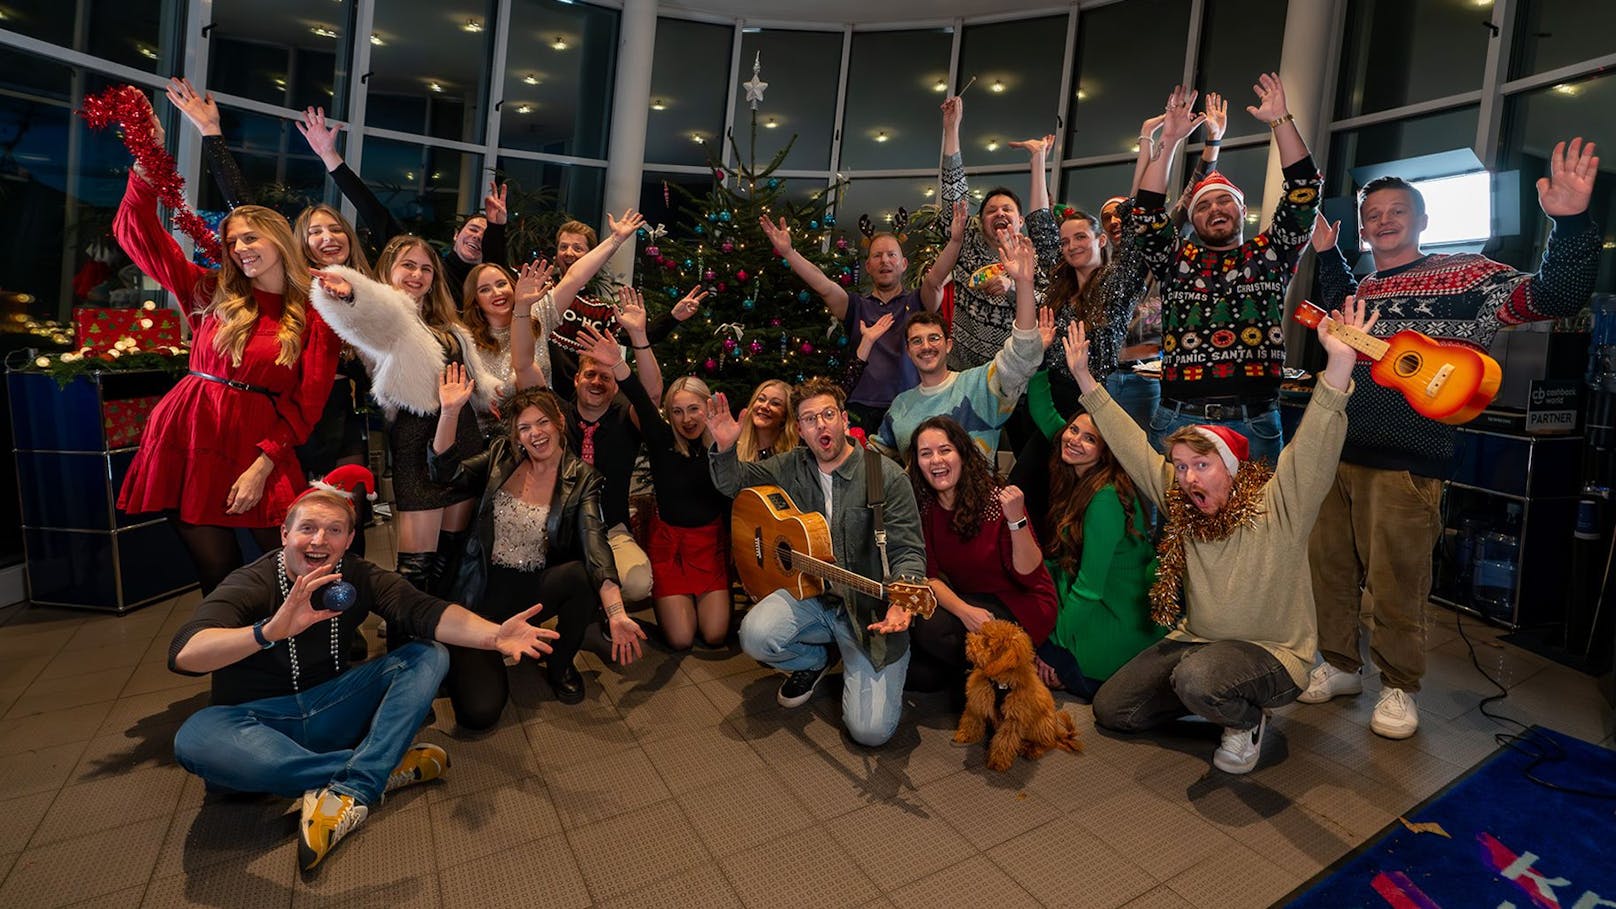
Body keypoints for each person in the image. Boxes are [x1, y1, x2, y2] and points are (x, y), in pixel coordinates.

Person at [1301, 140, 1602, 739]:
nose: (1382, 222)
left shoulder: (1466, 274)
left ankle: (1397, 686)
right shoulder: (1361, 290)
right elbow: (1337, 312)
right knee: (1328, 570)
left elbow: (1554, 297)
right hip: (1334, 450)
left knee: (1396, 581)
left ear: (1422, 220)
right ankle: (1338, 665)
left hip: (1411, 459)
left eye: (1395, 212)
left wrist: (1570, 224)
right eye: (1372, 216)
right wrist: (1330, 257)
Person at [167, 488, 559, 871]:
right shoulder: (252, 582)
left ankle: (347, 785)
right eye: (307, 528)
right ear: (285, 534)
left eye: (334, 530)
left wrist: (493, 636)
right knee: (196, 736)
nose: (319, 540)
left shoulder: (356, 575)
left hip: (331, 709)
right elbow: (185, 653)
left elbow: (423, 609)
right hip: (258, 723)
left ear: (350, 539)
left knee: (428, 655)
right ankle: (376, 769)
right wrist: (267, 631)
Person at [1067, 288, 1365, 774]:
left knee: (1200, 678)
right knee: (1114, 709)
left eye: (1201, 465)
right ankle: (1211, 696)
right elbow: (1131, 446)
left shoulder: (1279, 503)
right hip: (1197, 641)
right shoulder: (1181, 502)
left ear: (1229, 468)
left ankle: (1243, 718)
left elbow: (1315, 441)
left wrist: (1338, 369)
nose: (1187, 478)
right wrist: (1084, 378)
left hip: (1273, 653)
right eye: (1181, 467)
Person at [112, 99, 338, 595]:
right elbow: (138, 235)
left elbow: (307, 404)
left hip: (258, 444)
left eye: (251, 238)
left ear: (279, 239)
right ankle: (236, 661)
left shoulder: (316, 312)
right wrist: (147, 159)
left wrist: (263, 464)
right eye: (232, 242)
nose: (240, 249)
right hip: (189, 434)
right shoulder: (209, 291)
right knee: (217, 577)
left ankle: (314, 652)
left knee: (295, 567)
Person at [162, 78, 379, 539]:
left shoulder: (370, 285)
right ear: (297, 244)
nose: (327, 238)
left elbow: (381, 217)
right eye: (315, 232)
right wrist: (212, 137)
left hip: (341, 415)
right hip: (290, 418)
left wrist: (332, 161)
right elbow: (246, 210)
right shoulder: (297, 292)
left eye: (335, 229)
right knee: (295, 531)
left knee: (347, 526)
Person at [706, 378, 927, 747]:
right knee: (756, 635)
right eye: (810, 419)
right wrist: (726, 448)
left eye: (827, 415)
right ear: (800, 430)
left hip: (866, 613)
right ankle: (814, 659)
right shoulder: (791, 465)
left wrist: (903, 601)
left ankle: (859, 659)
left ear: (843, 419)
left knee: (870, 733)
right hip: (812, 597)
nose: (820, 425)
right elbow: (735, 485)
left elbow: (909, 549)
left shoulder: (884, 476)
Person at [428, 372, 642, 719]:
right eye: (524, 428)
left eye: (542, 422)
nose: (535, 434)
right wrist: (450, 412)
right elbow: (444, 474)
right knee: (479, 714)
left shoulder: (582, 477)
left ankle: (560, 666)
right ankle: (469, 651)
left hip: (531, 589)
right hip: (479, 591)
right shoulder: (500, 455)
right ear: (516, 434)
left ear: (559, 421)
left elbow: (595, 544)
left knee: (579, 576)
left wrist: (616, 613)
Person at [1133, 78, 1322, 464]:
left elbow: (1304, 188)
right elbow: (1147, 214)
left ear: (1241, 208)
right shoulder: (1176, 260)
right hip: (1178, 420)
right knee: (1173, 526)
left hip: (1254, 421)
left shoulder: (1272, 253)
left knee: (1259, 526)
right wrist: (1168, 141)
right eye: (1203, 206)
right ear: (1193, 218)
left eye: (1225, 201)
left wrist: (1280, 120)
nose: (1215, 210)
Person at [308, 237, 499, 597]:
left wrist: (491, 388)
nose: (418, 274)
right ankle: (404, 647)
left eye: (426, 268)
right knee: (416, 567)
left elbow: (470, 372)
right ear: (389, 272)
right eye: (408, 265)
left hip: (464, 433)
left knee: (452, 555)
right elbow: (368, 318)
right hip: (417, 438)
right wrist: (352, 295)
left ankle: (442, 636)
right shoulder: (391, 317)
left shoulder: (446, 322)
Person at [590, 300, 734, 650]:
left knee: (715, 636)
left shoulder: (722, 441)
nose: (687, 418)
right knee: (682, 639)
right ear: (669, 414)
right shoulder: (661, 439)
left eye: (694, 409)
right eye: (678, 411)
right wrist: (628, 352)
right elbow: (640, 396)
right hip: (670, 547)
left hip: (709, 547)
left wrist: (727, 448)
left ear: (708, 408)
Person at [758, 203, 963, 429]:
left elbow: (935, 279)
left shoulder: (918, 302)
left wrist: (955, 242)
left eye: (891, 255)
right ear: (868, 266)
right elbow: (822, 283)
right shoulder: (855, 305)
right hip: (860, 409)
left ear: (904, 264)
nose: (885, 261)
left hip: (910, 405)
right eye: (877, 256)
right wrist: (789, 252)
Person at [903, 416, 1056, 698]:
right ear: (918, 463)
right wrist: (964, 611)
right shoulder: (925, 508)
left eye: (945, 450)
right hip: (975, 604)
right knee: (919, 675)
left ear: (962, 454)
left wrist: (1016, 519)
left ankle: (1009, 673)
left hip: (1023, 603)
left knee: (929, 628)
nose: (936, 460)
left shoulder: (995, 501)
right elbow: (930, 577)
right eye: (926, 453)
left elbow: (1029, 574)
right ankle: (994, 674)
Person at [871, 235, 1050, 460]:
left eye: (934, 338)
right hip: (917, 496)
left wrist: (1024, 284)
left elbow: (1022, 355)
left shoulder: (979, 384)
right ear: (909, 351)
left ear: (948, 345)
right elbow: (874, 457)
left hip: (974, 494)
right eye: (917, 341)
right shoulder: (901, 405)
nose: (926, 346)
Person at [296, 106, 508, 292]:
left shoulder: (485, 286)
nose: (478, 237)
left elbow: (497, 270)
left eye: (485, 234)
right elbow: (374, 213)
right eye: (473, 229)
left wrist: (496, 228)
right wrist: (329, 156)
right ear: (455, 235)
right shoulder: (425, 263)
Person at [1034, 409, 1162, 698]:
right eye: (1073, 430)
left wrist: (1054, 647)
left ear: (1106, 452)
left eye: (1090, 438)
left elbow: (1090, 589)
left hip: (1115, 611)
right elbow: (1040, 409)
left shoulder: (1104, 499)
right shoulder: (1080, 478)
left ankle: (1075, 669)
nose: (1075, 440)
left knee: (1037, 641)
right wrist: (1037, 364)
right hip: (1100, 595)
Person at [939, 95, 1061, 371]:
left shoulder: (1033, 254)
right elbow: (953, 192)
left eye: (1007, 209)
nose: (999, 214)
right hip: (965, 373)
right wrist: (951, 128)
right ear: (980, 222)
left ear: (1020, 220)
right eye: (991, 211)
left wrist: (1013, 288)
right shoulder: (967, 244)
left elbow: (1047, 303)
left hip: (1016, 376)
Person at [509, 211, 648, 392]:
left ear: (591, 256)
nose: (569, 253)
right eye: (563, 247)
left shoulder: (598, 309)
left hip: (563, 400)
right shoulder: (534, 290)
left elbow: (575, 278)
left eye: (577, 248)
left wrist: (673, 317)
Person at [735, 379, 800, 462]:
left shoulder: (793, 457)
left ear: (785, 415)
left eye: (775, 403)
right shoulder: (733, 449)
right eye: (761, 399)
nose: (764, 406)